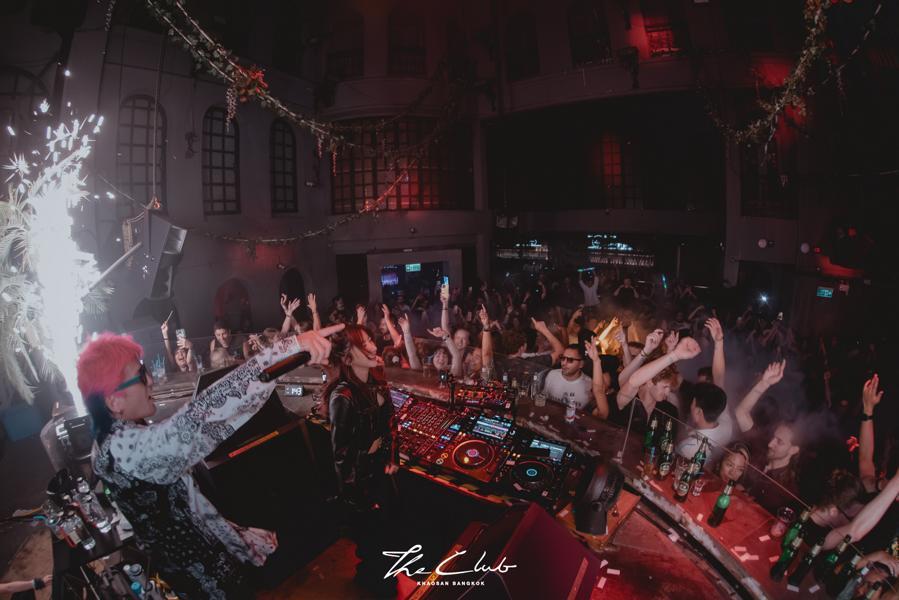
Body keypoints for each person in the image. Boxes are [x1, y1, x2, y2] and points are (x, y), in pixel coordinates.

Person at [78, 326, 340, 598]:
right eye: (141, 375)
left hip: (191, 568)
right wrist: (289, 347)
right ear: (114, 401)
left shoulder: (107, 442)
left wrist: (235, 535)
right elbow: (201, 416)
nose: (151, 381)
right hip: (205, 577)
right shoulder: (125, 449)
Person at [323, 324, 399, 597]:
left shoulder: (378, 383)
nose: (373, 347)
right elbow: (341, 456)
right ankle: (371, 583)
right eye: (364, 343)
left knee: (388, 536)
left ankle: (381, 579)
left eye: (371, 341)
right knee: (372, 542)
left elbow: (391, 424)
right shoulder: (342, 397)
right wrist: (358, 498)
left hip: (380, 475)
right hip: (361, 485)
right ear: (347, 356)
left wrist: (392, 457)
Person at [614, 337, 701, 429]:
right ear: (650, 382)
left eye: (669, 387)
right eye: (665, 387)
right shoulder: (629, 400)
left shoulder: (670, 411)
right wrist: (675, 355)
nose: (668, 392)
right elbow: (634, 381)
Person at [541, 342, 609, 419]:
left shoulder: (589, 385)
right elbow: (542, 401)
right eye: (563, 358)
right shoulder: (551, 374)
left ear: (581, 364)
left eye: (570, 360)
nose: (564, 363)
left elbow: (601, 415)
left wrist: (596, 361)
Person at [675, 382, 733, 461]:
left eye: (692, 404)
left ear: (698, 412)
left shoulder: (687, 448)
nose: (691, 407)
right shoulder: (727, 426)